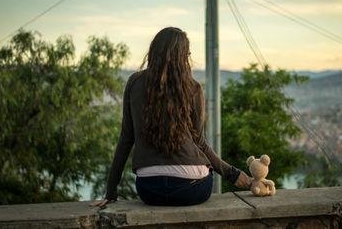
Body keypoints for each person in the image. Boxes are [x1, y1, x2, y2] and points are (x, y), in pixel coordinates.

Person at [90, 27, 251, 207]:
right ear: (183, 56)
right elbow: (200, 142)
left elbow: (126, 138)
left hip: (150, 190)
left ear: (153, 51)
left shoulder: (134, 83)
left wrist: (111, 192)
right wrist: (234, 175)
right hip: (191, 187)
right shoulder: (193, 88)